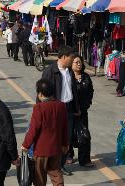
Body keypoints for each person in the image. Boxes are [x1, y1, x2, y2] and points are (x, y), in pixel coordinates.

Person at [22, 79, 68, 186]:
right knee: (56, 174)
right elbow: (64, 127)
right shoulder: (61, 106)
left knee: (39, 179)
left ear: (40, 94)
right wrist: (65, 144)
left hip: (41, 151)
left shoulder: (39, 108)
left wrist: (26, 145)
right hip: (56, 149)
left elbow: (34, 129)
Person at [41, 45, 79, 176]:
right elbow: (42, 92)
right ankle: (50, 165)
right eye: (71, 58)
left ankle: (60, 165)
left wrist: (76, 108)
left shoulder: (69, 71)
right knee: (53, 139)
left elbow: (73, 90)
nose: (72, 60)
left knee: (65, 140)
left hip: (67, 109)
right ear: (64, 57)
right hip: (54, 110)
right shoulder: (50, 71)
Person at [70, 55, 94, 167]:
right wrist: (73, 109)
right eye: (76, 62)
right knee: (69, 134)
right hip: (70, 111)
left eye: (80, 62)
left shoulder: (86, 77)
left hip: (83, 111)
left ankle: (84, 160)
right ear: (71, 64)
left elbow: (90, 92)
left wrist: (86, 105)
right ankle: (68, 155)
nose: (79, 64)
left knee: (84, 134)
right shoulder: (68, 77)